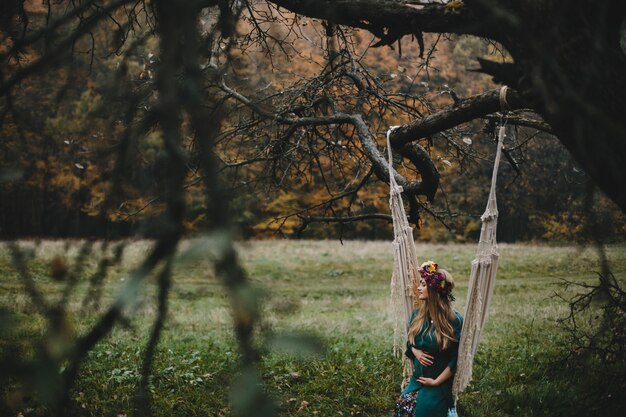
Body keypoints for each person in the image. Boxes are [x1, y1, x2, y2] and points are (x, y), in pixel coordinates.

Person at [394, 261, 463, 417]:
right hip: (416, 381)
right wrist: (415, 351)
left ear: (434, 290)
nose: (419, 288)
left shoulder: (453, 320)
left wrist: (437, 382)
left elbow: (456, 359)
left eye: (423, 285)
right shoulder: (417, 316)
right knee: (402, 405)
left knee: (424, 411)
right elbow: (410, 342)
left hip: (438, 384)